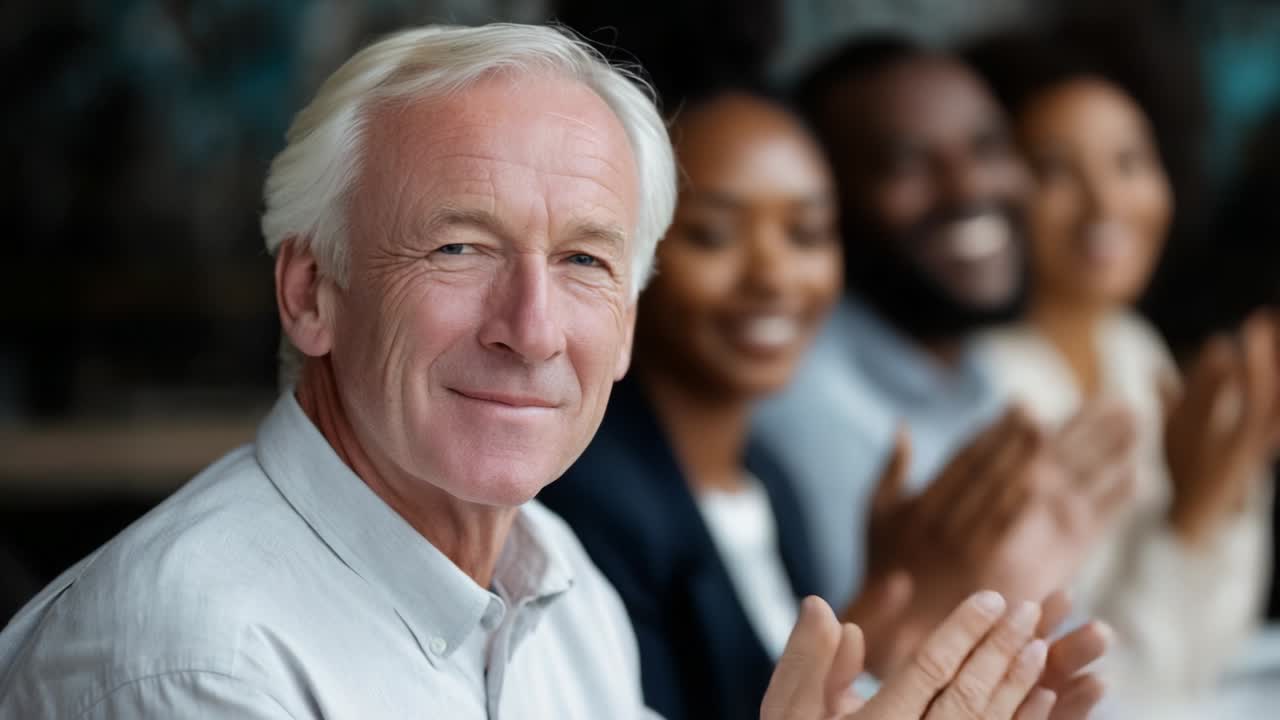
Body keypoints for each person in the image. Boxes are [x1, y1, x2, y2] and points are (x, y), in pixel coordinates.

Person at [0, 23, 1107, 720]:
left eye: (584, 261)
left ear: (625, 324)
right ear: (310, 292)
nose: (531, 329)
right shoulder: (199, 666)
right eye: (458, 248)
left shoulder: (554, 576)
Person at [755, 35, 1137, 643]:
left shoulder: (978, 366)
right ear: (827, 204)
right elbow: (847, 666)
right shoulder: (806, 405)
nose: (967, 189)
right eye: (907, 164)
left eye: (988, 149)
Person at [969, 38, 1277, 711]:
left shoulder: (1132, 349)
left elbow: (1212, 646)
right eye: (1055, 170)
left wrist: (1235, 478)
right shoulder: (986, 386)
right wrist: (1192, 516)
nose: (1105, 201)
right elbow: (1094, 691)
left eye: (1130, 162)